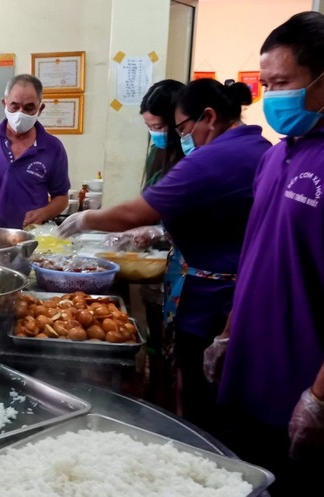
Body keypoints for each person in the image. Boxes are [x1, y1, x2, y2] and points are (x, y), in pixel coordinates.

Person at [203, 12, 324, 495]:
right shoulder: (279, 153)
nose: (270, 97)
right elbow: (257, 253)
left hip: (304, 390)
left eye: (281, 83)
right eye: (265, 84)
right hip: (249, 378)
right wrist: (229, 333)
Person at [59, 78, 271, 433]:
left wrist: (85, 219)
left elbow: (136, 211)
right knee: (217, 388)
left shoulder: (214, 157)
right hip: (235, 292)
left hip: (213, 299)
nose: (178, 135)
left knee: (204, 393)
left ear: (209, 117)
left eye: (179, 127)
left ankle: (203, 448)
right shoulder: (257, 146)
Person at [0, 74, 70, 228]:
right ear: (4, 103)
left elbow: (61, 197)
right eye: (15, 105)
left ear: (40, 108)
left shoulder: (53, 147)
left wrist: (44, 213)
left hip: (31, 237)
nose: (21, 113)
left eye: (29, 107)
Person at [138, 79, 185, 411]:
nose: (154, 134)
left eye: (158, 127)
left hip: (185, 272)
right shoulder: (162, 154)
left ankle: (173, 409)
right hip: (165, 273)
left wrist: (88, 220)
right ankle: (159, 398)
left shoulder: (193, 160)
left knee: (179, 360)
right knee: (160, 345)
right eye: (149, 127)